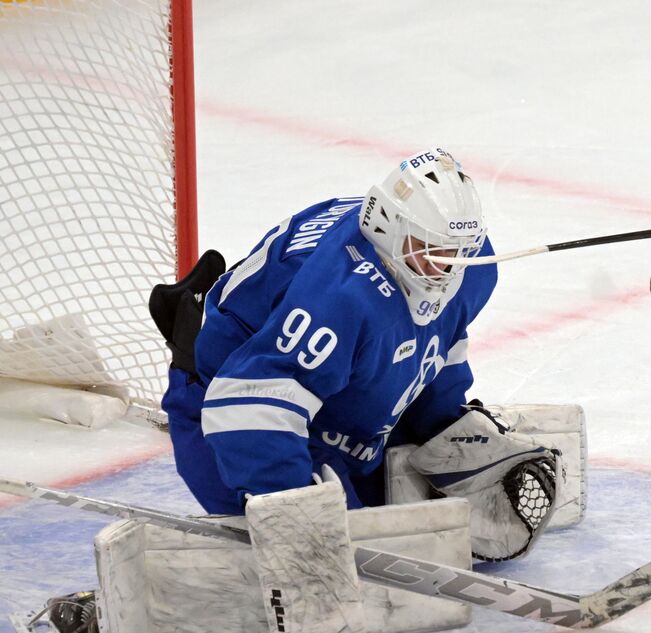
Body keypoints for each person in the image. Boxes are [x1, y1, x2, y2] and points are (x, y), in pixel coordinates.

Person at [149, 147, 581, 562]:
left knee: (402, 536)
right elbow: (247, 408)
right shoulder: (340, 295)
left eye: (459, 251)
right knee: (347, 560)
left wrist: (443, 427)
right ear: (387, 227)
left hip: (337, 390)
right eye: (433, 250)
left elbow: (438, 342)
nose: (448, 267)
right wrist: (295, 507)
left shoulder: (471, 264)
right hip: (224, 407)